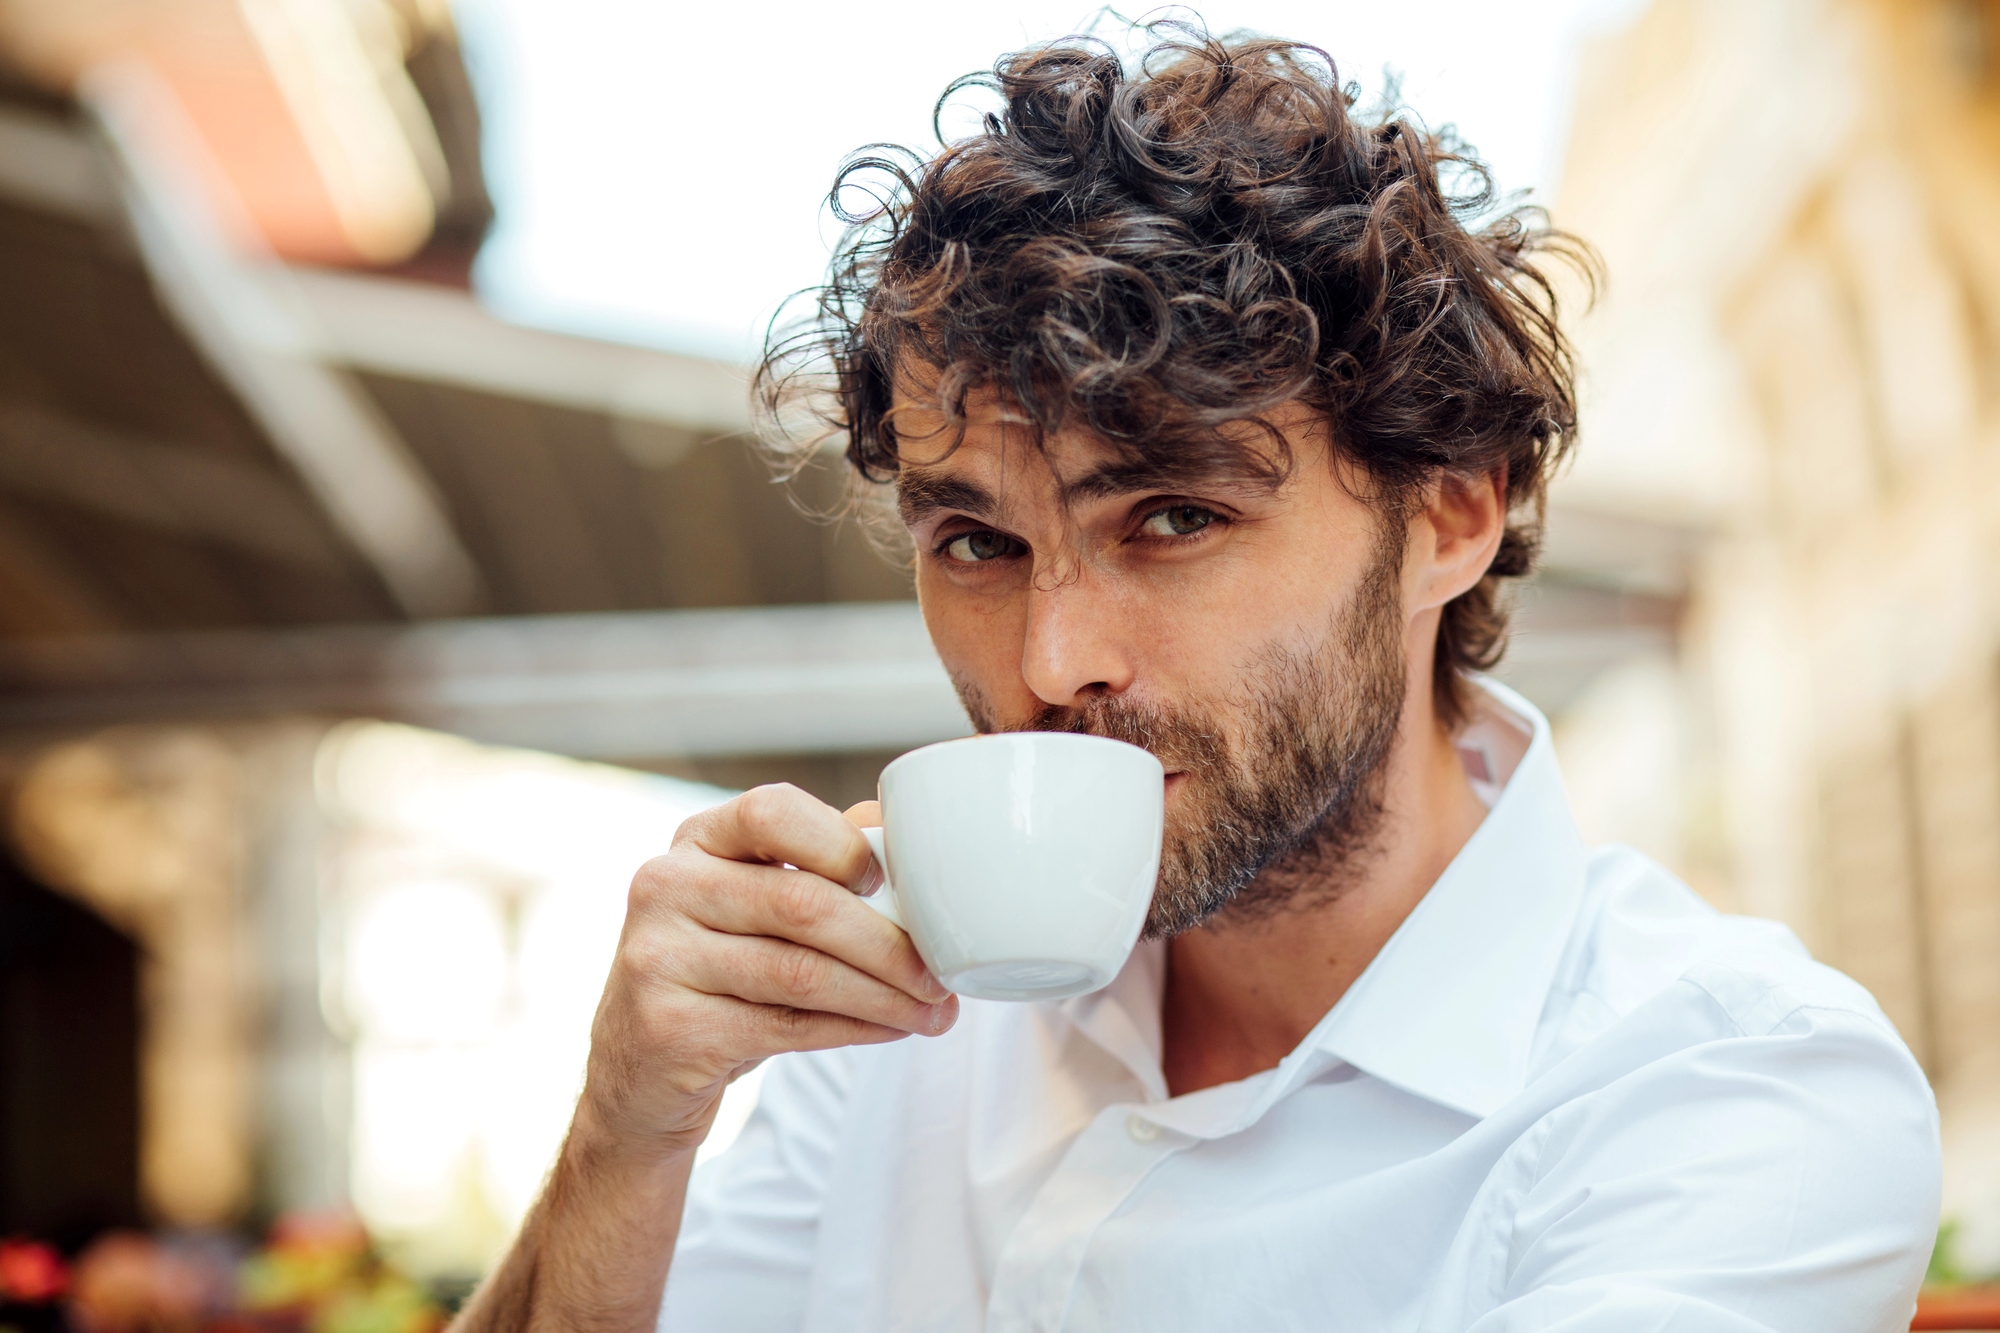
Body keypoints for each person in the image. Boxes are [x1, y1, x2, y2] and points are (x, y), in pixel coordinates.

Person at [454, 27, 1940, 1333]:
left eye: (1173, 518)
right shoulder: (891, 1038)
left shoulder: (1724, 1094)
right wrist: (624, 1135)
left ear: (1450, 514)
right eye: (975, 540)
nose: (1050, 660)